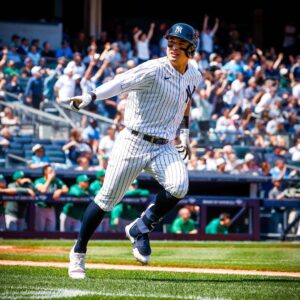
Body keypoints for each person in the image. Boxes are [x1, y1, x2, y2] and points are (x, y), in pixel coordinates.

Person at [65, 22, 201, 279]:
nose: (174, 47)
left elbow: (186, 103)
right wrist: (90, 97)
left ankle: (140, 226)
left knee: (179, 185)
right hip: (134, 141)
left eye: (180, 44)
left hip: (164, 145)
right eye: (171, 42)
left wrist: (184, 134)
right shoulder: (153, 69)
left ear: (191, 47)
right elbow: (119, 83)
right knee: (107, 200)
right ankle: (78, 253)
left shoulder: (193, 73)